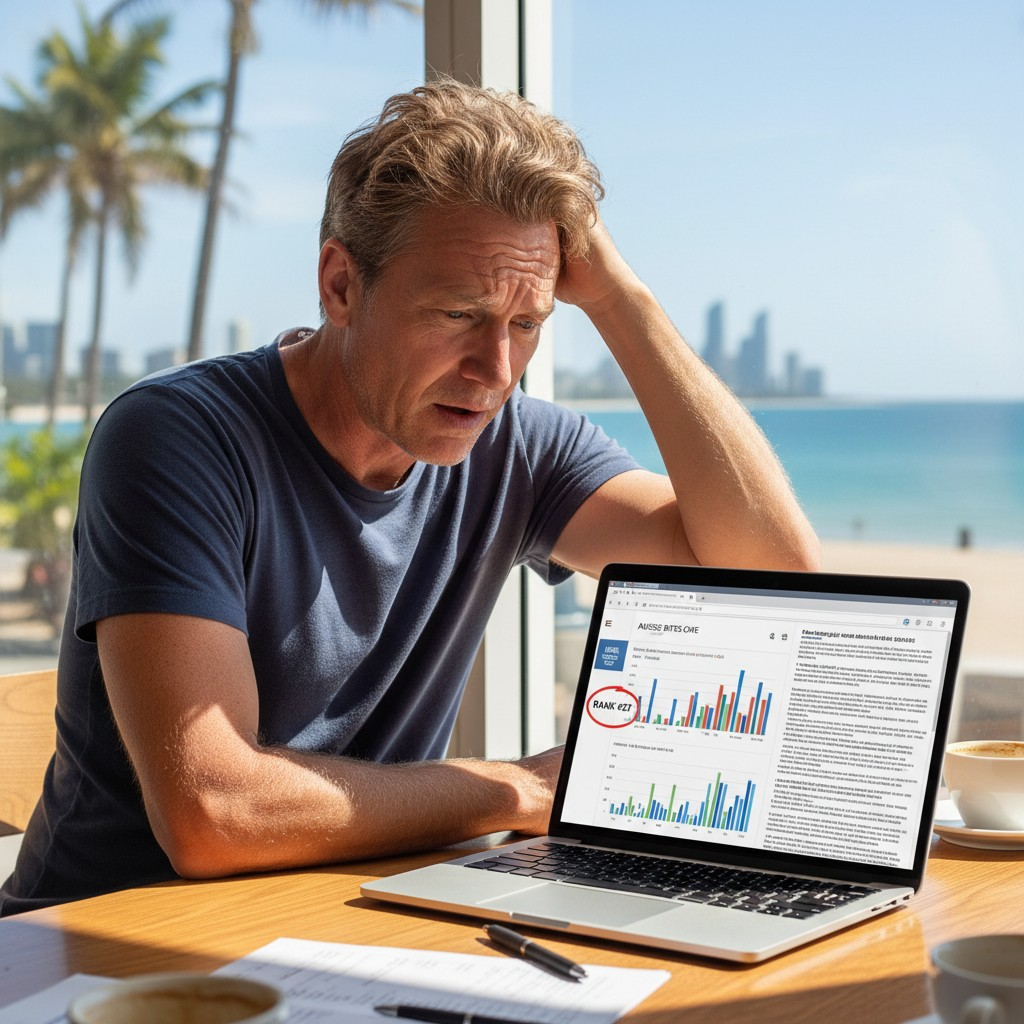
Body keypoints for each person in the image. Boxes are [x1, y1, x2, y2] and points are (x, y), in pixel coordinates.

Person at [0, 80, 818, 915]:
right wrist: (517, 791)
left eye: (527, 323)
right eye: (458, 313)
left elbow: (778, 577)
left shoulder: (516, 445)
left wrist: (617, 296)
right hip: (103, 959)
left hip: (343, 931)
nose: (495, 371)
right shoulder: (178, 438)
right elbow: (214, 814)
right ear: (340, 284)